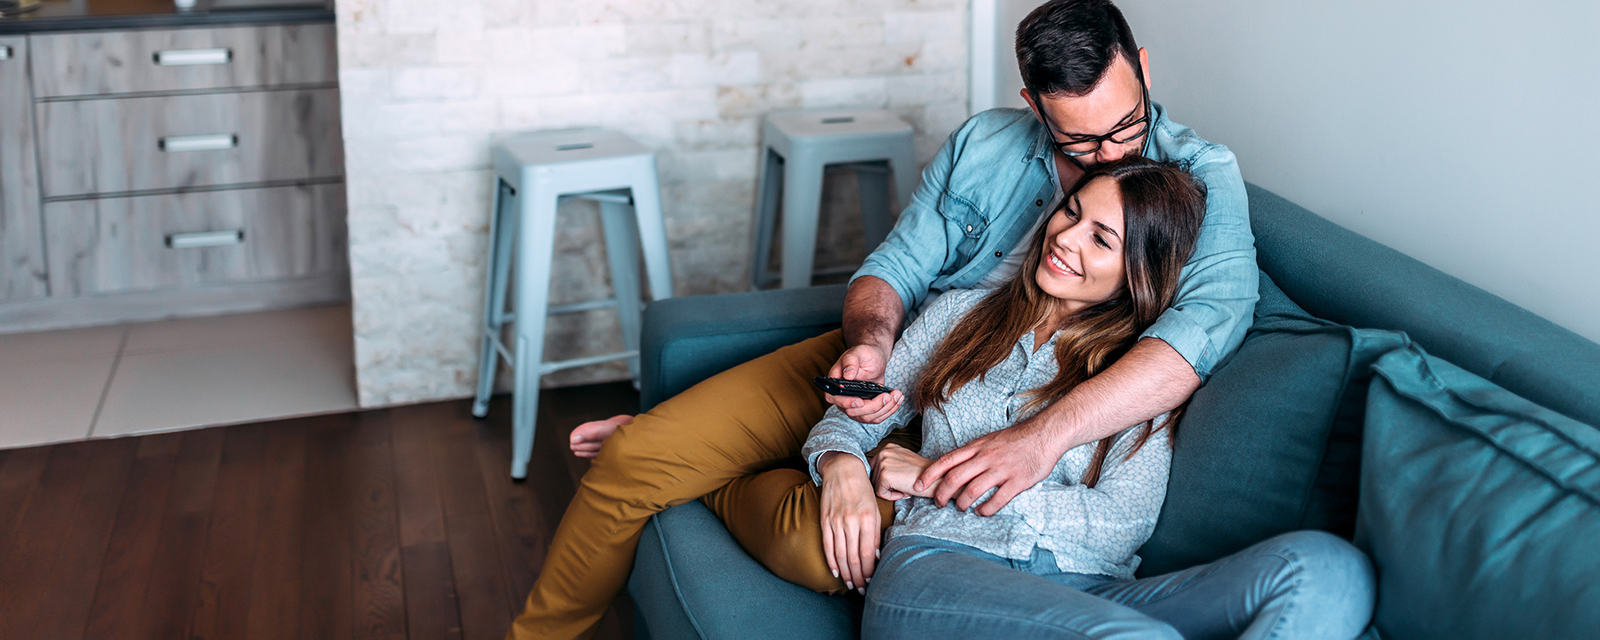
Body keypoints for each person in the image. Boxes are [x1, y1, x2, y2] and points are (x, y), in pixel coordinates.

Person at [511, 1, 1258, 636]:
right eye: (1079, 142)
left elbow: (1198, 339)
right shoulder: (984, 145)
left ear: (1144, 69)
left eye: (1125, 126)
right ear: (1035, 106)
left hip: (978, 425)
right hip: (912, 356)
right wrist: (870, 346)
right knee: (633, 463)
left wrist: (1034, 444)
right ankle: (669, 459)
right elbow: (893, 269)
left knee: (828, 549)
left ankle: (705, 462)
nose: (1108, 154)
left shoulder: (1199, 179)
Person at [804, 157, 1373, 638]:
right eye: (1071, 213)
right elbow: (853, 418)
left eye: (1101, 239)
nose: (1064, 238)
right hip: (940, 565)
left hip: (1093, 590)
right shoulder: (959, 317)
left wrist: (936, 478)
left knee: (1330, 569)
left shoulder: (1141, 374)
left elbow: (1120, 522)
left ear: (1137, 273)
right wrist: (843, 466)